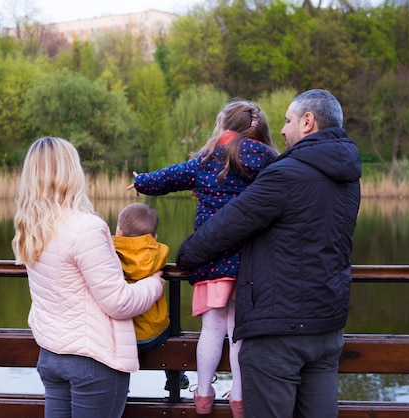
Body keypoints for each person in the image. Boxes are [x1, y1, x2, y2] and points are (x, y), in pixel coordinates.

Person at [176, 89, 362, 418]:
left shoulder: (285, 175)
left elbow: (226, 226)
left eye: (288, 121)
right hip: (327, 327)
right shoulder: (348, 178)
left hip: (279, 332)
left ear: (308, 122)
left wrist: (186, 257)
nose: (281, 130)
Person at [128, 99, 279, 416]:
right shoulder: (269, 160)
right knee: (240, 333)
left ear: (224, 126)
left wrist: (142, 181)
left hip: (212, 258)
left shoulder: (208, 158)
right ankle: (239, 399)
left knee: (211, 329)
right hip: (250, 260)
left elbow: (170, 177)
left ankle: (204, 395)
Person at [11, 137, 165, 418]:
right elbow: (118, 302)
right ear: (72, 173)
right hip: (93, 361)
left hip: (52, 355)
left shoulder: (30, 227)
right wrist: (154, 283)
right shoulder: (86, 228)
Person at [112, 202, 190, 392]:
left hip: (120, 337)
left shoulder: (110, 252)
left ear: (119, 231)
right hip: (154, 333)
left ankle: (122, 386)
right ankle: (176, 376)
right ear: (153, 237)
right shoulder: (158, 254)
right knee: (173, 323)